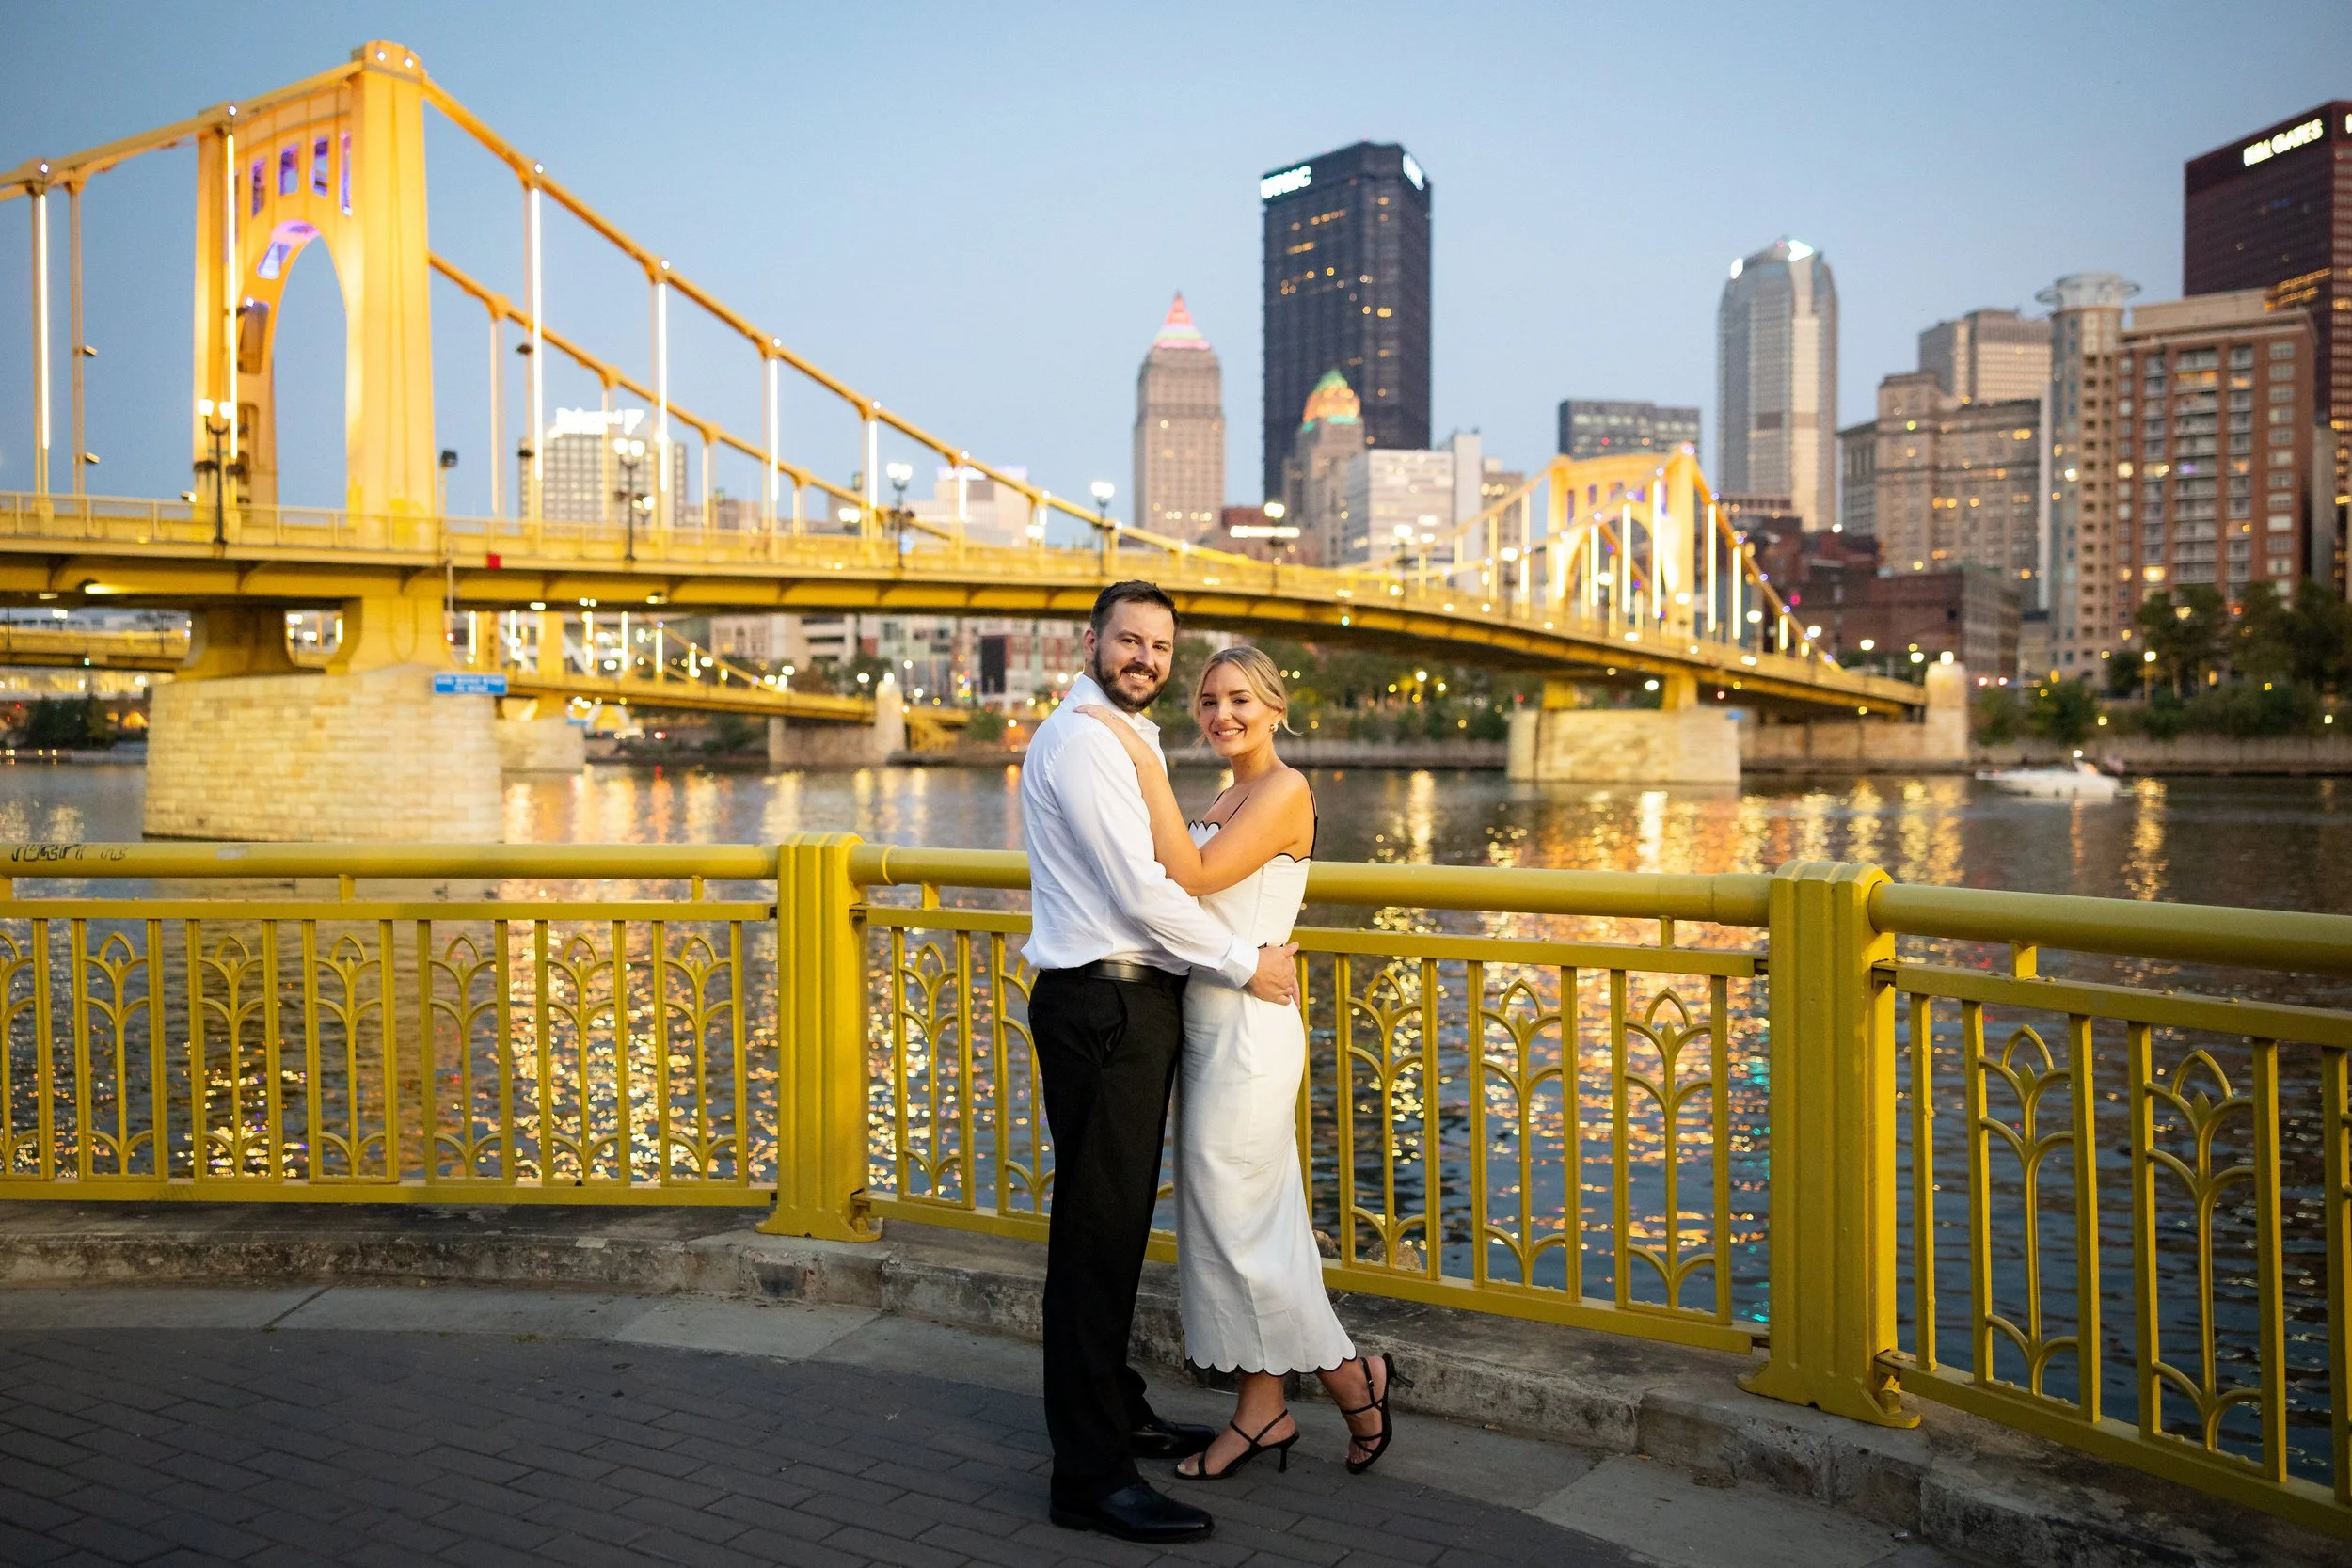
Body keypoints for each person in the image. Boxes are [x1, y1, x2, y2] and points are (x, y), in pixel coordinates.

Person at [1079, 644, 1405, 1483]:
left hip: (1254, 1031)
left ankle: (1348, 1380)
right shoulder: (1227, 792)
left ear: (1275, 705)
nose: (1222, 714)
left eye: (1240, 700)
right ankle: (1266, 1409)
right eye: (1209, 701)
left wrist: (1134, 754)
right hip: (1208, 1021)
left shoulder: (1286, 789)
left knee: (1240, 1220)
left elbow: (1191, 872)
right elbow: (1168, 893)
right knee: (1236, 1223)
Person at [1020, 581, 1300, 1545]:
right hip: (1104, 1001)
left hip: (1126, 1002)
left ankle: (1119, 1410)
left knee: (1115, 1224)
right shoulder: (1092, 741)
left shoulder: (1122, 736)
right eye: (1128, 639)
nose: (1143, 656)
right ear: (1090, 640)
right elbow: (1141, 890)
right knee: (1095, 1242)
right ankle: (1088, 1475)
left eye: (1158, 646)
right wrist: (1243, 962)